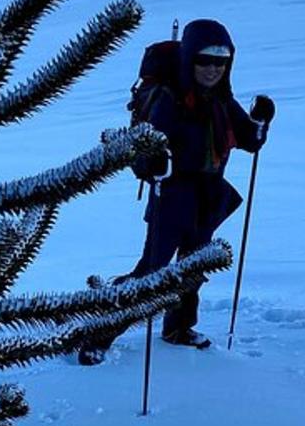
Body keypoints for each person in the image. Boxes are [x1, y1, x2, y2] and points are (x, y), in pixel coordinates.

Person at [79, 18, 275, 364]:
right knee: (152, 270)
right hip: (172, 194)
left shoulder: (221, 99)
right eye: (204, 59)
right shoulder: (169, 98)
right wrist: (153, 163)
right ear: (189, 59)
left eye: (221, 61)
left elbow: (248, 140)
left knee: (194, 266)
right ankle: (100, 333)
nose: (213, 68)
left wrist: (261, 122)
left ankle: (178, 327)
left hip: (209, 193)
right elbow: (143, 147)